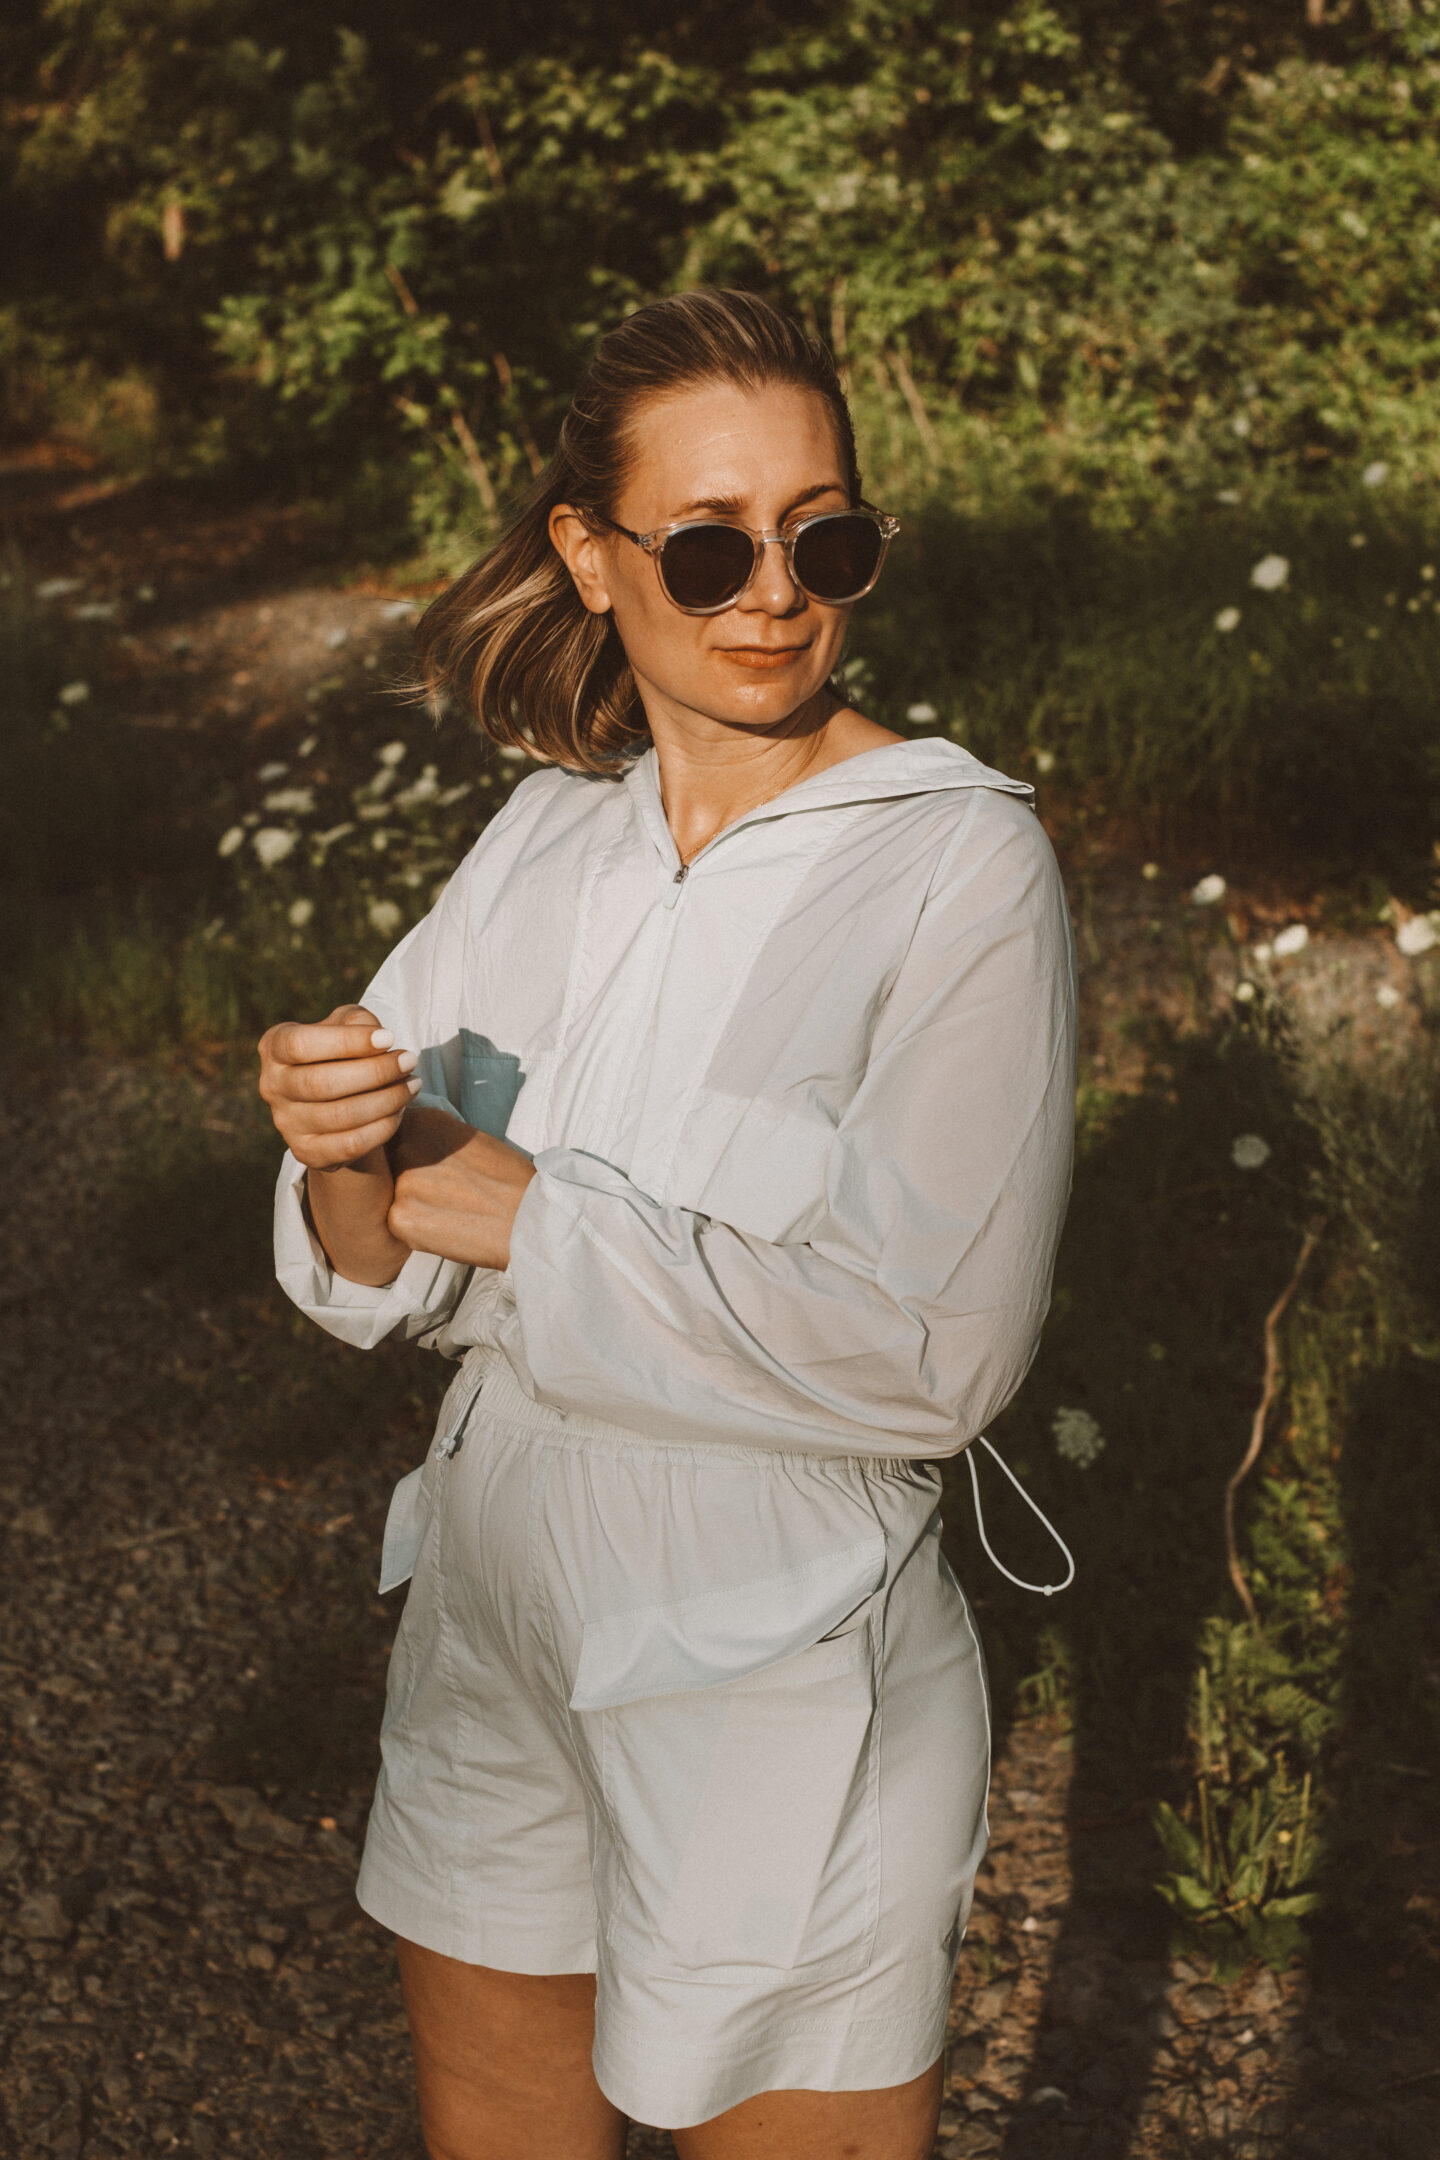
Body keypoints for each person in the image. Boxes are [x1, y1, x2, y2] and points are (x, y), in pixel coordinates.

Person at [258, 288, 1077, 2160]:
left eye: (826, 537)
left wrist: (532, 1217)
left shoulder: (959, 862)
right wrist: (337, 1148)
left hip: (771, 1653)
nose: (773, 594)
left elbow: (934, 1360)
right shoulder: (546, 839)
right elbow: (372, 1272)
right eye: (708, 544)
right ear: (589, 549)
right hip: (488, 1603)